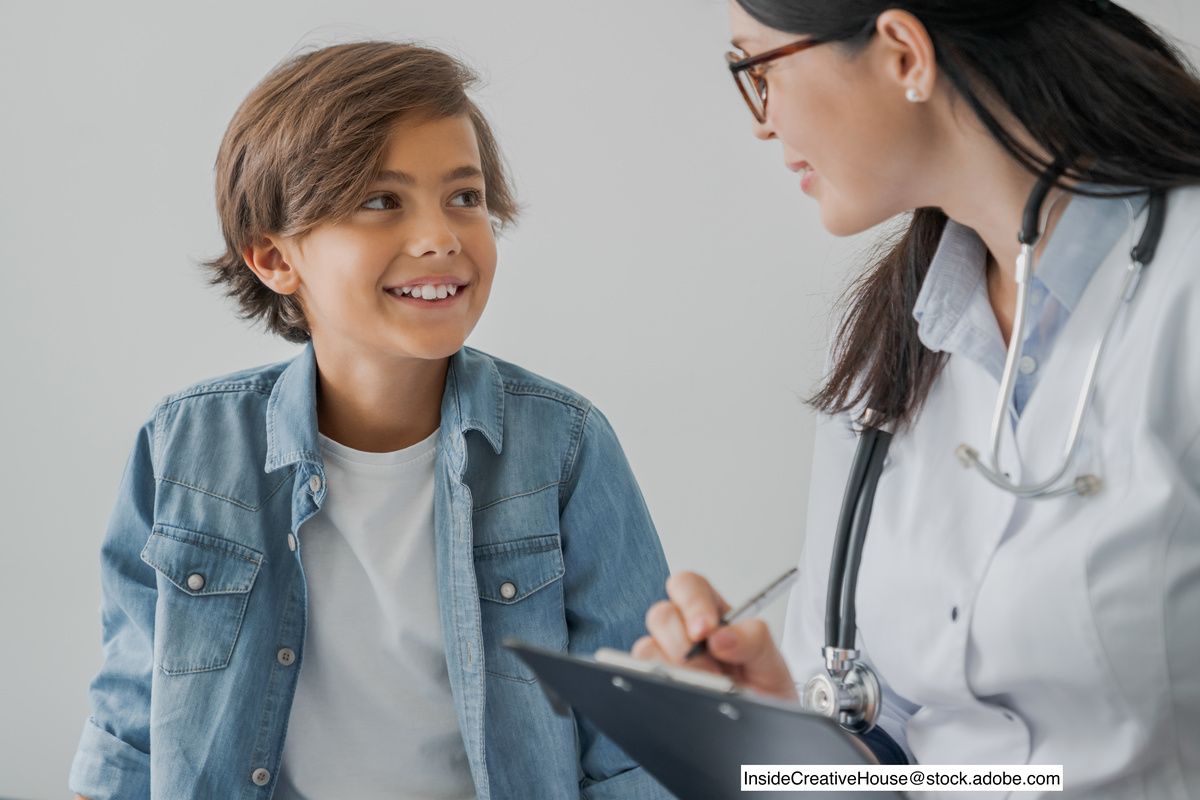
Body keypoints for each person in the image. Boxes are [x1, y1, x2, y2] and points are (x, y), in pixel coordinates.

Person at [69, 41, 672, 800]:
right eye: (382, 201)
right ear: (273, 257)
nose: (441, 237)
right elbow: (130, 724)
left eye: (465, 196)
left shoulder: (565, 445)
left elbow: (635, 739)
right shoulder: (182, 446)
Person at [635, 1, 1200, 796]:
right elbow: (907, 750)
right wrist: (781, 728)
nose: (762, 123)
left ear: (903, 53)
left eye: (759, 68)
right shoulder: (885, 354)